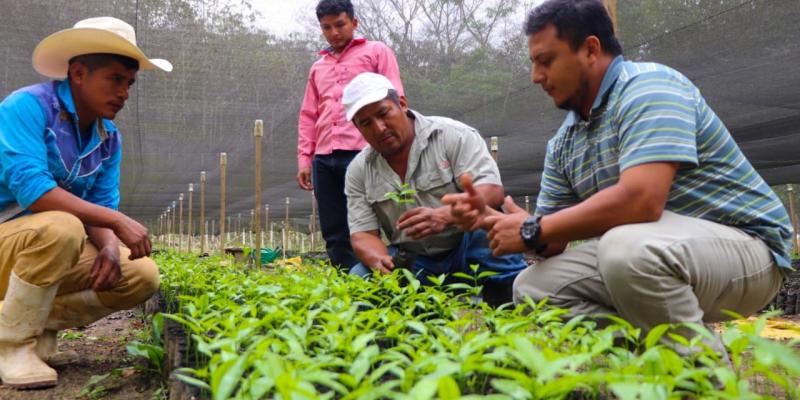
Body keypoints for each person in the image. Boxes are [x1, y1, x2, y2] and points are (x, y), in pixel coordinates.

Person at [445, 0, 793, 352]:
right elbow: (552, 242)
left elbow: (642, 200)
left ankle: (703, 381)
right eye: (533, 63)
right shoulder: (564, 143)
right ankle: (650, 367)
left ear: (590, 49)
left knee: (625, 249)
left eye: (546, 61)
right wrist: (503, 222)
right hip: (660, 254)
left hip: (750, 250)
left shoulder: (648, 87)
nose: (536, 77)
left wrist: (533, 228)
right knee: (534, 288)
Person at [0, 17, 171, 389]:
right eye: (114, 79)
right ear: (78, 73)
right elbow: (35, 191)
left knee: (139, 275)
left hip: (44, 247)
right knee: (62, 225)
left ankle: (29, 322)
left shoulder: (108, 138)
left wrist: (110, 247)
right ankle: (11, 345)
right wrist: (117, 221)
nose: (124, 92)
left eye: (129, 82)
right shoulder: (26, 107)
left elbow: (98, 203)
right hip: (9, 241)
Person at [343, 72, 526, 304]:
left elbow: (490, 190)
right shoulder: (359, 170)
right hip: (414, 259)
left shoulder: (452, 136)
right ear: (357, 128)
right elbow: (362, 235)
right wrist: (380, 260)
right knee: (360, 277)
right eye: (366, 123)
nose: (379, 128)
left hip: (466, 243)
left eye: (383, 113)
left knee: (487, 229)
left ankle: (506, 292)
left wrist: (446, 215)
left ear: (401, 104)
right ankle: (413, 320)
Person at [297, 0, 405, 270]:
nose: (334, 32)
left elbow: (395, 97)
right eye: (327, 27)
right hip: (324, 156)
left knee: (370, 221)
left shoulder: (376, 52)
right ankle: (347, 285)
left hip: (363, 152)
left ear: (354, 23)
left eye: (340, 25)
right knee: (333, 228)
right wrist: (304, 159)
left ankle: (380, 281)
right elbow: (309, 114)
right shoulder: (317, 68)